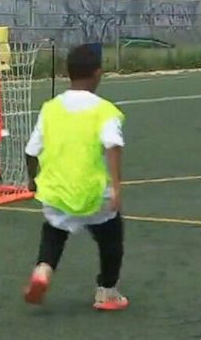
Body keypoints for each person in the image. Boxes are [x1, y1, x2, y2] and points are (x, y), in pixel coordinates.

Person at [22, 44, 129, 310]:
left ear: (67, 73)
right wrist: (116, 187)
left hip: (57, 190)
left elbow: (31, 150)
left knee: (54, 232)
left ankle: (43, 270)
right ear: (98, 74)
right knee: (111, 236)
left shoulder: (50, 109)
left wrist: (31, 180)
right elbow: (113, 145)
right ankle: (107, 291)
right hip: (93, 193)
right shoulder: (104, 110)